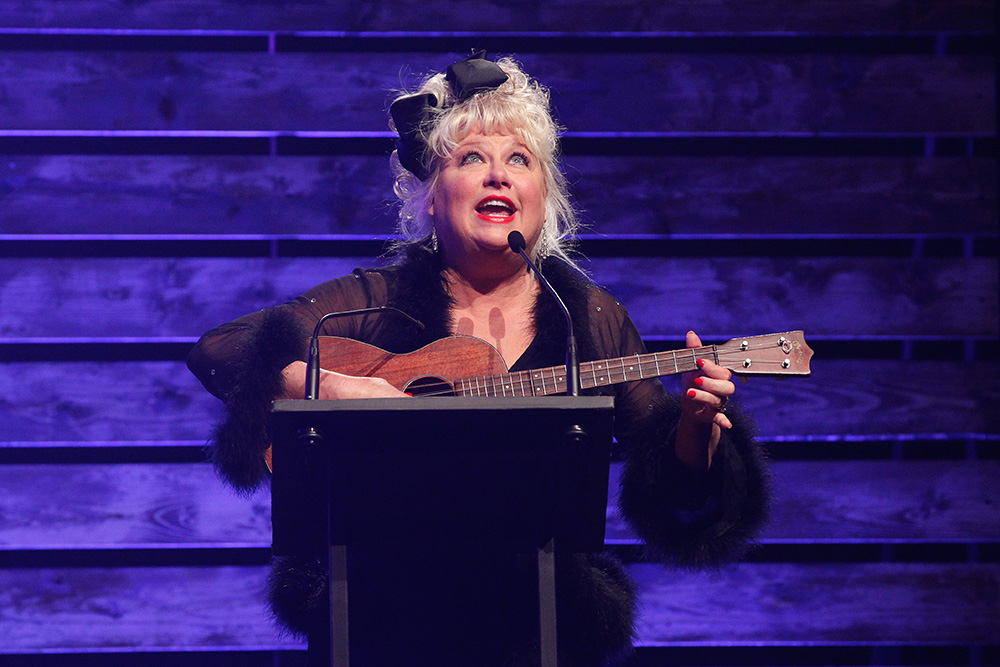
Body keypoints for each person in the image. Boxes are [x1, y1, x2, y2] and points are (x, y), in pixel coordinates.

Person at [187, 52, 769, 666]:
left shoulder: (589, 317)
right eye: (472, 159)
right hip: (381, 616)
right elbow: (217, 351)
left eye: (519, 159)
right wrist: (332, 389)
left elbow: (673, 500)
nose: (499, 176)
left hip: (541, 620)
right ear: (433, 200)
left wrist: (697, 431)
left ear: (544, 196)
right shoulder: (370, 302)